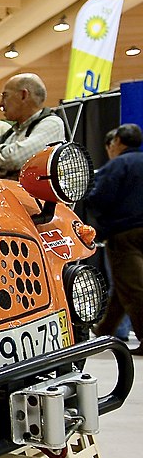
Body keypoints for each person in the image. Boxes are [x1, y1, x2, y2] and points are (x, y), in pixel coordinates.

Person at [85, 123, 143, 354]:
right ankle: (104, 331)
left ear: (117, 141)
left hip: (124, 234)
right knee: (124, 287)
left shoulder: (119, 165)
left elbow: (99, 197)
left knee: (133, 288)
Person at [0, 72, 65, 179]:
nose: (1, 104)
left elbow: (16, 158)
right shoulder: (11, 134)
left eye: (5, 96)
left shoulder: (52, 124)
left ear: (23, 95)